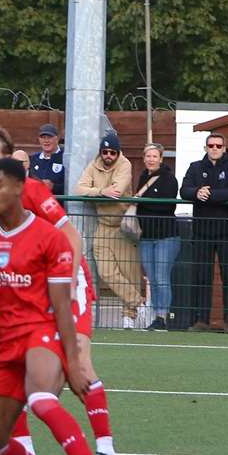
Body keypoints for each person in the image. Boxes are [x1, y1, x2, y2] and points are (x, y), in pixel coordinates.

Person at [0, 155, 118, 455]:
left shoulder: (49, 238)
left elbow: (62, 306)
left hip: (41, 332)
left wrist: (74, 362)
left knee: (41, 398)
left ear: (20, 189)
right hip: (5, 342)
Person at [73, 132, 143, 329]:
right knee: (106, 272)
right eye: (105, 152)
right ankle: (139, 302)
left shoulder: (125, 164)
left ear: (118, 153)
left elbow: (118, 191)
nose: (108, 156)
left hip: (123, 226)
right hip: (103, 225)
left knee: (129, 272)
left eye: (112, 152)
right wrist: (102, 192)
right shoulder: (93, 165)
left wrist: (94, 192)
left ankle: (129, 316)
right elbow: (79, 189)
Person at [179, 132, 228, 331]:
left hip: (227, 231)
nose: (214, 149)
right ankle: (200, 320)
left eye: (218, 146)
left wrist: (208, 195)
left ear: (224, 148)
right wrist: (196, 192)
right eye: (211, 145)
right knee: (201, 276)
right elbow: (184, 190)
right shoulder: (195, 167)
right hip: (201, 230)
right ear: (206, 148)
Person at [133, 143, 180, 330]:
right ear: (144, 159)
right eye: (148, 156)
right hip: (146, 236)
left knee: (161, 277)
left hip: (166, 236)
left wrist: (143, 203)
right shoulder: (143, 176)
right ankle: (155, 316)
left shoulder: (169, 179)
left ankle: (162, 316)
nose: (151, 159)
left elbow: (166, 206)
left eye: (154, 156)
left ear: (161, 159)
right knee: (151, 278)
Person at [29, 122, 67, 195]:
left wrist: (53, 187)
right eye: (43, 137)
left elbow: (71, 185)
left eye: (49, 137)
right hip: (37, 203)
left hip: (58, 203)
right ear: (39, 139)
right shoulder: (34, 158)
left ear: (57, 138)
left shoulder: (65, 157)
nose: (46, 141)